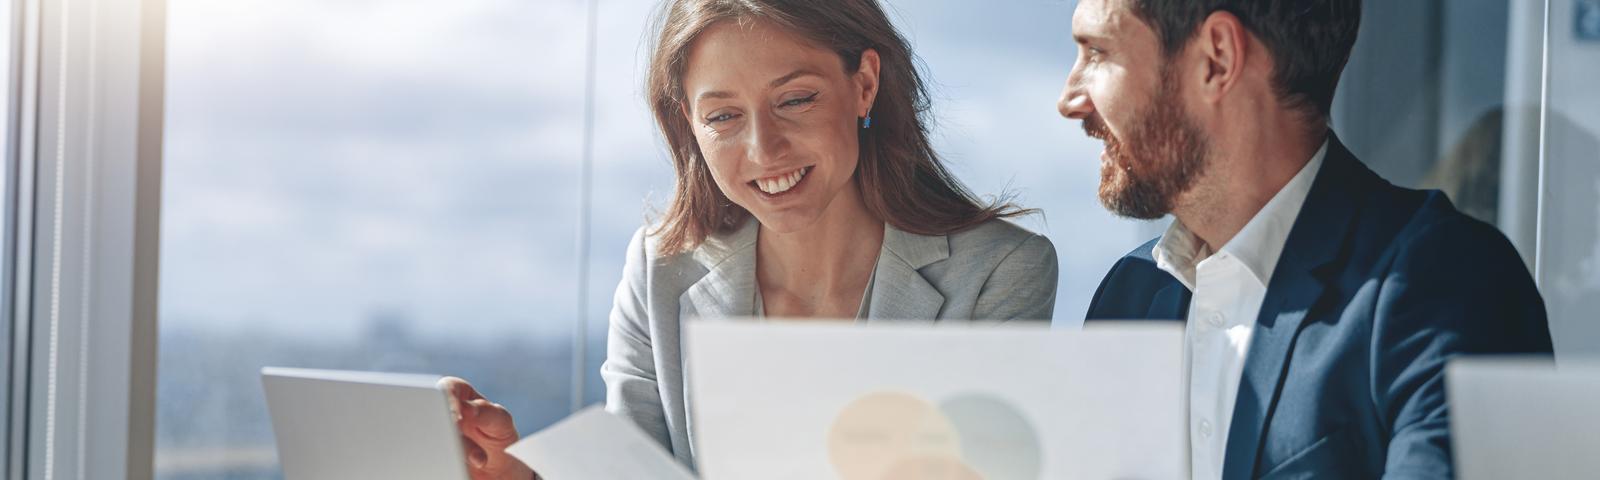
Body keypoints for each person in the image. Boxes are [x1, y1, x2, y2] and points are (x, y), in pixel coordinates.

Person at [445, 0, 1060, 477]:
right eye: (723, 116)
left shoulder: (999, 271)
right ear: (689, 123)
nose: (764, 150)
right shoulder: (661, 269)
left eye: (795, 100)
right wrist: (518, 475)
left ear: (864, 84)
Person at [1062, 0, 1552, 478]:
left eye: (1098, 52)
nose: (1070, 100)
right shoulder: (1130, 294)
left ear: (1217, 59)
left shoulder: (1445, 280)